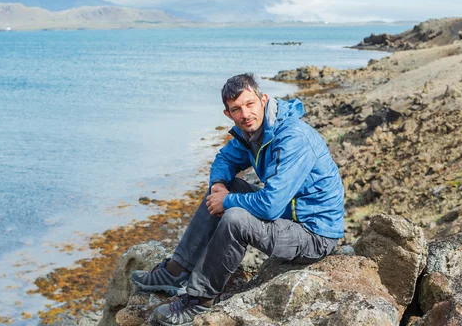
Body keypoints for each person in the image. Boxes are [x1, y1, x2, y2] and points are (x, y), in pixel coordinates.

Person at [131, 73, 344, 326]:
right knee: (225, 189)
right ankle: (176, 271)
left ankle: (200, 301)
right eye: (237, 109)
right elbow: (225, 158)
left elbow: (270, 204)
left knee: (235, 217)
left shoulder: (293, 138)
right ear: (228, 114)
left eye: (250, 104)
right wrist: (220, 187)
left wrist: (228, 201)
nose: (245, 114)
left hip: (314, 235)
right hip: (287, 218)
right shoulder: (252, 132)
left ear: (263, 100)